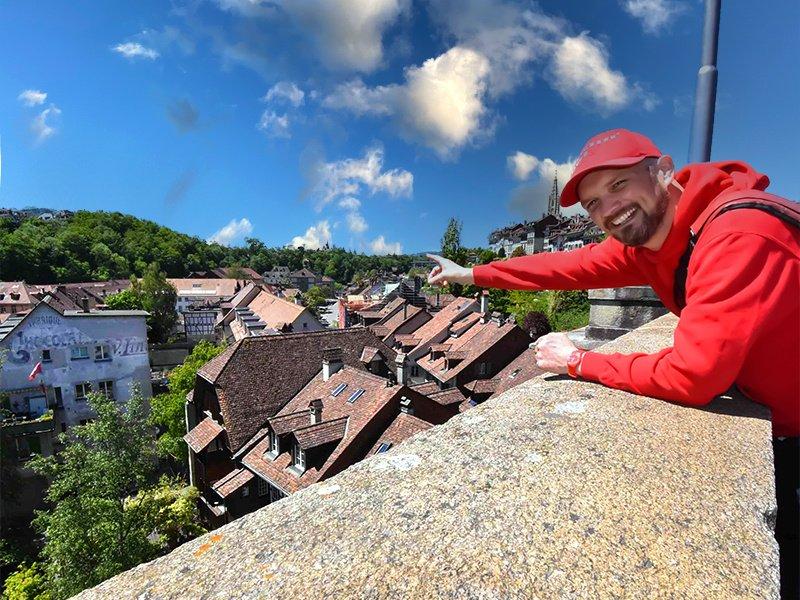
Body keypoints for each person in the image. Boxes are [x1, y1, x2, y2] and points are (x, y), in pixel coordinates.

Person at [427, 129, 799, 598]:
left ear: (662, 170)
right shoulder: (659, 239)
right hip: (776, 413)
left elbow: (693, 376)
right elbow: (563, 267)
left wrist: (581, 363)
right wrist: (471, 273)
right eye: (593, 204)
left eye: (618, 185)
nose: (608, 210)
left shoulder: (735, 238)